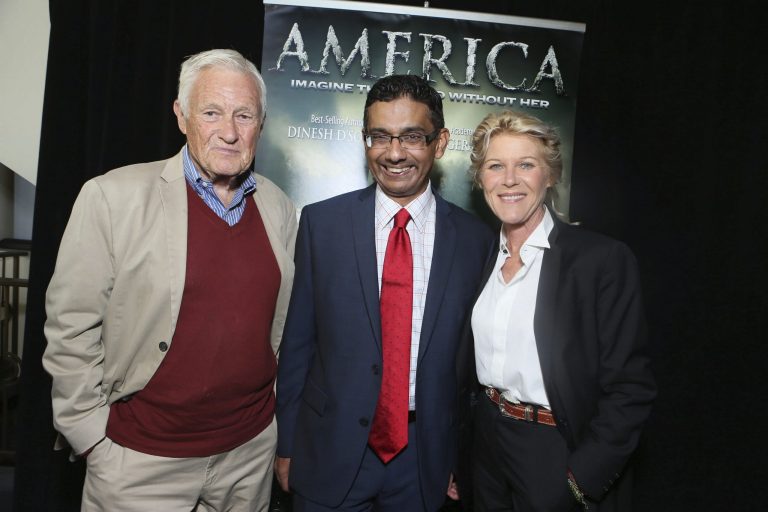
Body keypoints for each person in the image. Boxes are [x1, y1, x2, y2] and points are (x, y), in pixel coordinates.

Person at [42, 48, 297, 511]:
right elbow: (70, 326)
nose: (229, 131)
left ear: (261, 123)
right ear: (181, 116)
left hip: (248, 456)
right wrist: (91, 439)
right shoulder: (111, 198)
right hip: (138, 462)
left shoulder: (279, 207)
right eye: (212, 112)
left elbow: (280, 331)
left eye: (244, 115)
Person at [274, 74, 495, 511]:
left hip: (423, 459)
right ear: (365, 140)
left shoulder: (475, 240)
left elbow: (470, 367)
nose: (394, 153)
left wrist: (456, 455)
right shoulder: (322, 225)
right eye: (380, 137)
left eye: (412, 136)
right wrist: (287, 444)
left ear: (440, 141)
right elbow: (298, 344)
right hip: (328, 448)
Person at [458, 110, 656, 511]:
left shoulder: (600, 260)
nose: (509, 179)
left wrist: (581, 479)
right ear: (481, 179)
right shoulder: (478, 256)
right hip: (487, 443)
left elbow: (631, 387)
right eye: (496, 166)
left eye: (526, 165)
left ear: (549, 176)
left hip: (555, 450)